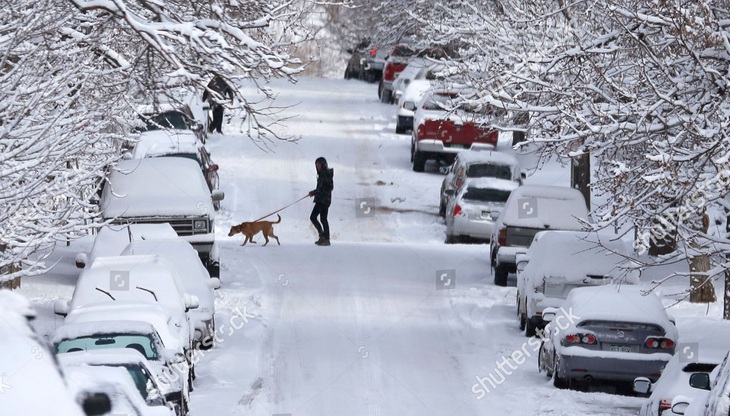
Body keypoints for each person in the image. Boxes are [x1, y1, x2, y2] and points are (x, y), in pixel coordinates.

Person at [308, 157, 334, 246]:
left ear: (323, 164)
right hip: (322, 199)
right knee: (323, 219)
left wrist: (314, 192)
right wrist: (314, 192)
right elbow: (321, 188)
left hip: (323, 200)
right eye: (316, 164)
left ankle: (323, 236)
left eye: (318, 164)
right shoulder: (322, 174)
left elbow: (327, 188)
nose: (317, 166)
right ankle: (325, 238)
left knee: (313, 217)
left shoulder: (326, 174)